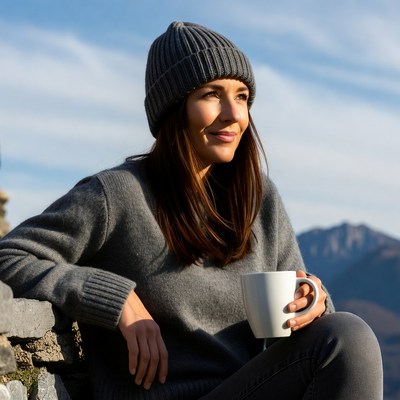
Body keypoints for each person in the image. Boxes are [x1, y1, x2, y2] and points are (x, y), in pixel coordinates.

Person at [0, 21, 383, 400]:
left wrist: (313, 298)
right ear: (174, 108)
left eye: (242, 96)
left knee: (347, 334)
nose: (233, 114)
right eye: (212, 94)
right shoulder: (117, 194)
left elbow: (318, 329)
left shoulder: (259, 199)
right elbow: (10, 256)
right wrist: (116, 299)